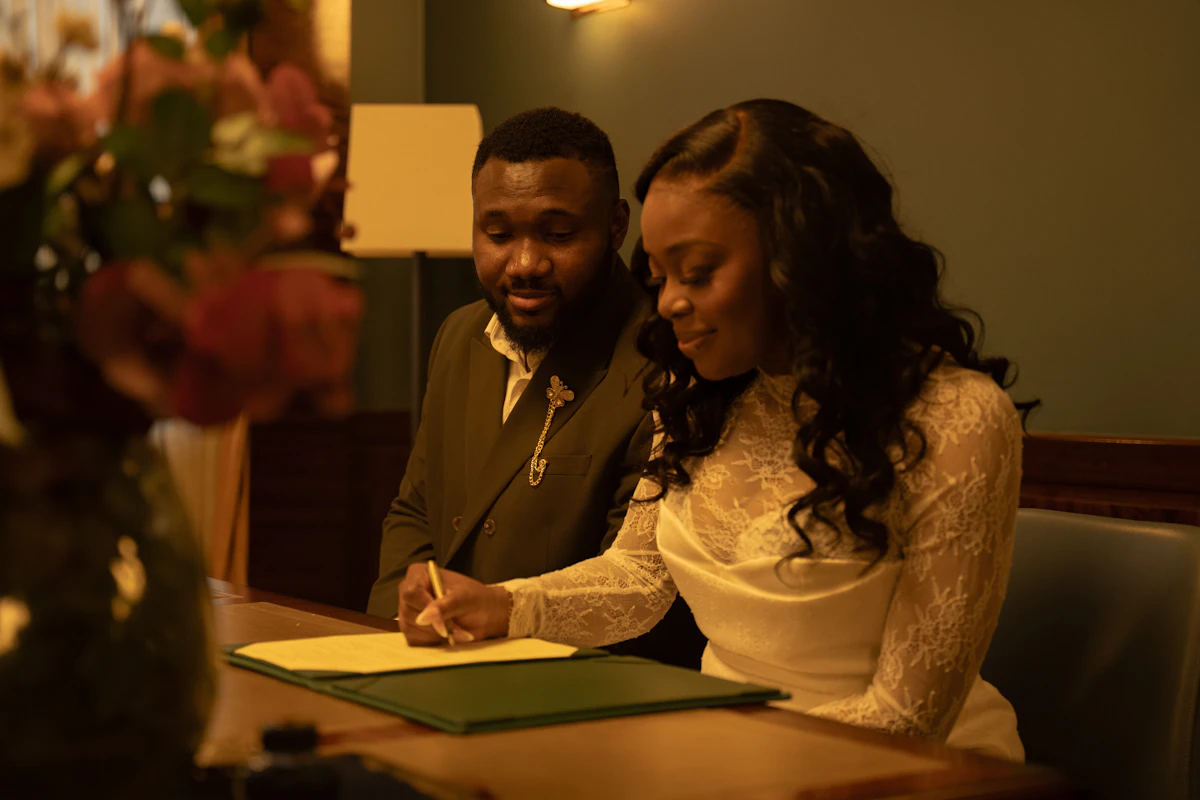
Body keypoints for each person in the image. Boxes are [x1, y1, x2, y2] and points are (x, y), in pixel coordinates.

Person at [406, 99, 1036, 760]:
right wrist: (500, 606)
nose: (670, 301)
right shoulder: (699, 394)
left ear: (801, 258)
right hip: (724, 753)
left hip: (904, 772)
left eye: (698, 273)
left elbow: (908, 718)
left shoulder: (959, 418)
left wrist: (713, 756)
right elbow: (640, 581)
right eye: (658, 275)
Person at [366, 107, 705, 669]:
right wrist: (393, 629)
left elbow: (638, 584)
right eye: (497, 233)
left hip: (582, 684)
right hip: (432, 669)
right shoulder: (458, 333)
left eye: (559, 234)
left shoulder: (667, 354)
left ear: (617, 226)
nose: (525, 263)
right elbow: (416, 509)